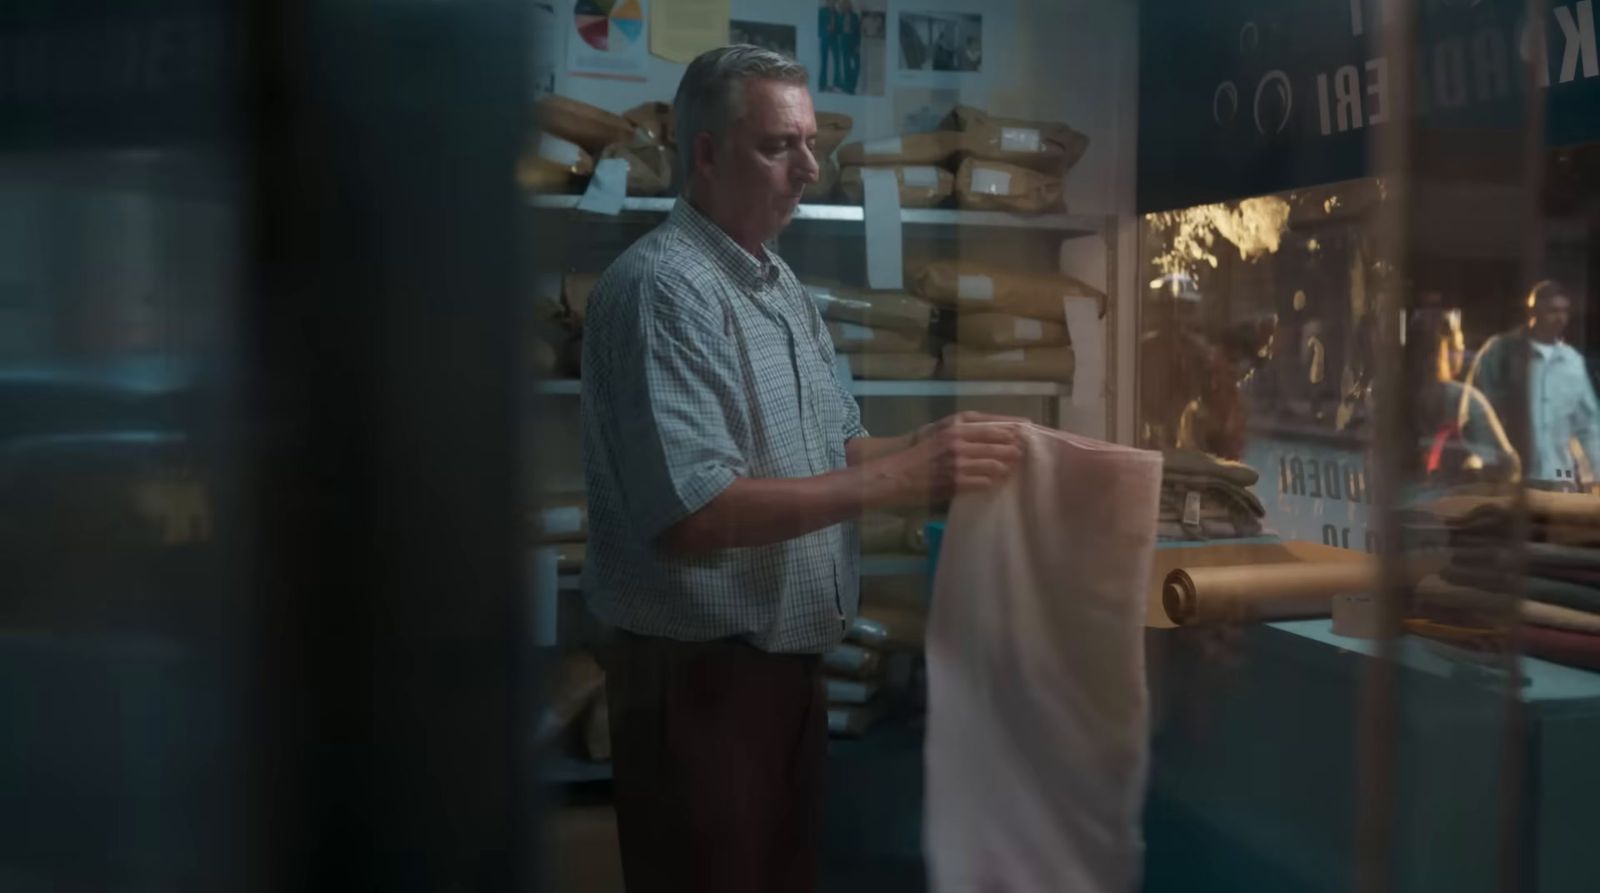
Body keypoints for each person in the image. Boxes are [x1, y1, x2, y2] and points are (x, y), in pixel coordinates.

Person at [579, 45, 1026, 893]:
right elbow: (695, 513)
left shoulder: (777, 286)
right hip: (699, 683)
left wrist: (938, 443)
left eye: (810, 144)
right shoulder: (662, 290)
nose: (809, 169)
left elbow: (840, 447)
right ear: (706, 154)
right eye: (778, 146)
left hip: (783, 674)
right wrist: (903, 479)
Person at [1465, 280, 1600, 490]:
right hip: (1509, 480)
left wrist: (1595, 473)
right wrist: (1490, 460)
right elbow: (1475, 410)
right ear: (1533, 311)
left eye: (1564, 311)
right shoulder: (1500, 351)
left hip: (1559, 476)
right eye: (1552, 311)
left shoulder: (1572, 362)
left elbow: (1589, 426)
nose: (1560, 318)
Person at [1403, 307, 1519, 483]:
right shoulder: (1463, 398)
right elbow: (1509, 466)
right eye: (1459, 347)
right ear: (1444, 351)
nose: (1463, 353)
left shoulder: (1386, 395)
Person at [839, 0, 861, 94]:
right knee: (846, 65)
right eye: (844, 4)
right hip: (844, 42)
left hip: (853, 42)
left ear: (850, 5)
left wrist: (857, 45)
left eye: (847, 4)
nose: (846, 6)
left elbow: (858, 32)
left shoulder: (855, 16)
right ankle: (848, 87)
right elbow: (838, 29)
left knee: (857, 65)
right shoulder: (840, 16)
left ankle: (852, 84)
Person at [817, 0, 839, 92]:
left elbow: (839, 26)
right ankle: (822, 85)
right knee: (824, 62)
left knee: (836, 62)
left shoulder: (836, 12)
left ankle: (835, 84)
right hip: (825, 38)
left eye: (833, 2)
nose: (832, 3)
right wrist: (825, 30)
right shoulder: (822, 10)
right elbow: (819, 24)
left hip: (834, 39)